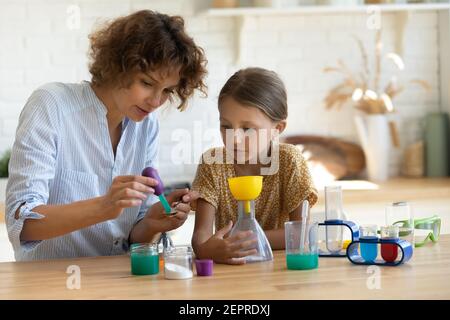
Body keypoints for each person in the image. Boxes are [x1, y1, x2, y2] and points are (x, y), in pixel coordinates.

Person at [5, 10, 207, 261]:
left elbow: (132, 238)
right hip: (49, 282)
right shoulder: (51, 105)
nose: (156, 101)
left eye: (167, 90)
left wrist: (153, 222)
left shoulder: (146, 125)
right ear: (118, 67)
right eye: (146, 83)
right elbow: (22, 223)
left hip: (115, 279)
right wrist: (103, 207)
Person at [191, 67, 318, 264]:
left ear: (277, 129)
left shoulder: (290, 161)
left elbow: (300, 233)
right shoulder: (212, 163)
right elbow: (200, 241)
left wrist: (234, 243)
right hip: (229, 276)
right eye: (226, 126)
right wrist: (209, 249)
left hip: (281, 273)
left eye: (248, 128)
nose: (235, 139)